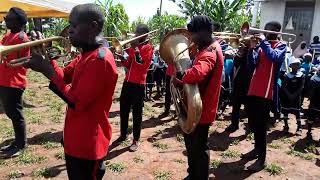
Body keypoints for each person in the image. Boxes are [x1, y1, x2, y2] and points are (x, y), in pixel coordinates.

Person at [11, 4, 118, 179]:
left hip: (88, 146)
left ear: (92, 27)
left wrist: (48, 71)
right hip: (76, 139)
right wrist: (46, 58)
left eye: (74, 26)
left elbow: (77, 101)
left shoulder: (101, 60)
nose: (69, 31)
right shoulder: (85, 55)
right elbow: (63, 76)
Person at [174, 15, 223, 180]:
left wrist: (182, 74)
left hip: (202, 109)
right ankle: (193, 174)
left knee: (199, 148)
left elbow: (197, 73)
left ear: (202, 33)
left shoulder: (210, 51)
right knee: (192, 145)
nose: (191, 38)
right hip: (197, 107)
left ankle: (199, 176)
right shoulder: (206, 48)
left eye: (193, 34)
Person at [242, 21, 286, 171]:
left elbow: (274, 57)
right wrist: (251, 50)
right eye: (264, 30)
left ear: (276, 31)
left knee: (261, 126)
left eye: (268, 30)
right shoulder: (263, 45)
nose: (265, 32)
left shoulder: (281, 46)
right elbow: (253, 65)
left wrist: (264, 42)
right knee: (253, 123)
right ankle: (256, 150)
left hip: (266, 92)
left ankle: (262, 159)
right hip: (254, 89)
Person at [116, 24, 153, 152]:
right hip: (128, 82)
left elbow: (142, 66)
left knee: (137, 114)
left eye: (137, 34)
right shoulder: (134, 48)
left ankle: (136, 139)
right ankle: (123, 133)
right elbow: (129, 64)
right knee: (123, 109)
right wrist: (122, 59)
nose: (135, 36)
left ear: (144, 35)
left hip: (138, 85)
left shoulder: (148, 48)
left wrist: (136, 50)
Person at [0, 7, 30, 157]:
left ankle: (21, 144)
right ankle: (17, 142)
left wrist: (9, 62)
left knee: (16, 114)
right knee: (11, 113)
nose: (5, 21)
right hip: (4, 80)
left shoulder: (22, 38)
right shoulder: (8, 36)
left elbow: (26, 60)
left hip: (14, 82)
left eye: (8, 19)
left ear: (18, 21)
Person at [225, 43, 254, 132]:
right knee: (236, 106)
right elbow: (236, 63)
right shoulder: (239, 55)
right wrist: (240, 52)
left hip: (249, 84)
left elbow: (252, 64)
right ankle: (234, 124)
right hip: (238, 83)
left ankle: (251, 126)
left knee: (249, 107)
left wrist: (250, 51)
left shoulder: (253, 53)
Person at [281, 58, 305, 135]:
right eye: (294, 64)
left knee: (297, 112)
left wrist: (294, 95)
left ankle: (299, 127)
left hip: (296, 97)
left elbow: (301, 87)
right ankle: (286, 126)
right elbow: (284, 86)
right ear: (291, 66)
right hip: (287, 96)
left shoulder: (301, 75)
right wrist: (289, 94)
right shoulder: (287, 75)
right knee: (285, 111)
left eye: (298, 64)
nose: (296, 66)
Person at [306, 66, 320, 140]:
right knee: (311, 118)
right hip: (314, 102)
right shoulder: (313, 79)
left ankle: (309, 132)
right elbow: (310, 91)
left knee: (312, 117)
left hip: (314, 102)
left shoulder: (313, 79)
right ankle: (308, 132)